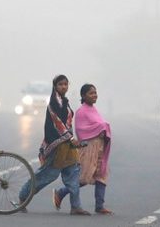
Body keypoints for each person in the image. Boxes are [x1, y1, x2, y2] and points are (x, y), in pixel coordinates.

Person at [18, 75, 91, 216]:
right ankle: (23, 197)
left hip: (68, 147)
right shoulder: (53, 103)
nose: (64, 87)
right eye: (60, 84)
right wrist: (70, 138)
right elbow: (58, 124)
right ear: (55, 86)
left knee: (73, 174)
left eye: (65, 84)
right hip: (56, 147)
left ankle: (76, 206)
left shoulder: (65, 102)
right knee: (46, 176)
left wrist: (71, 140)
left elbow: (68, 123)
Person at [54, 84, 113, 215]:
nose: (94, 95)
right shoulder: (81, 111)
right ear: (83, 96)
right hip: (88, 149)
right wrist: (102, 127)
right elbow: (81, 131)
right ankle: (61, 193)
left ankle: (99, 205)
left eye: (95, 93)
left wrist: (102, 129)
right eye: (91, 93)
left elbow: (99, 125)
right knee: (84, 178)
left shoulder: (94, 109)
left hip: (99, 148)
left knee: (101, 175)